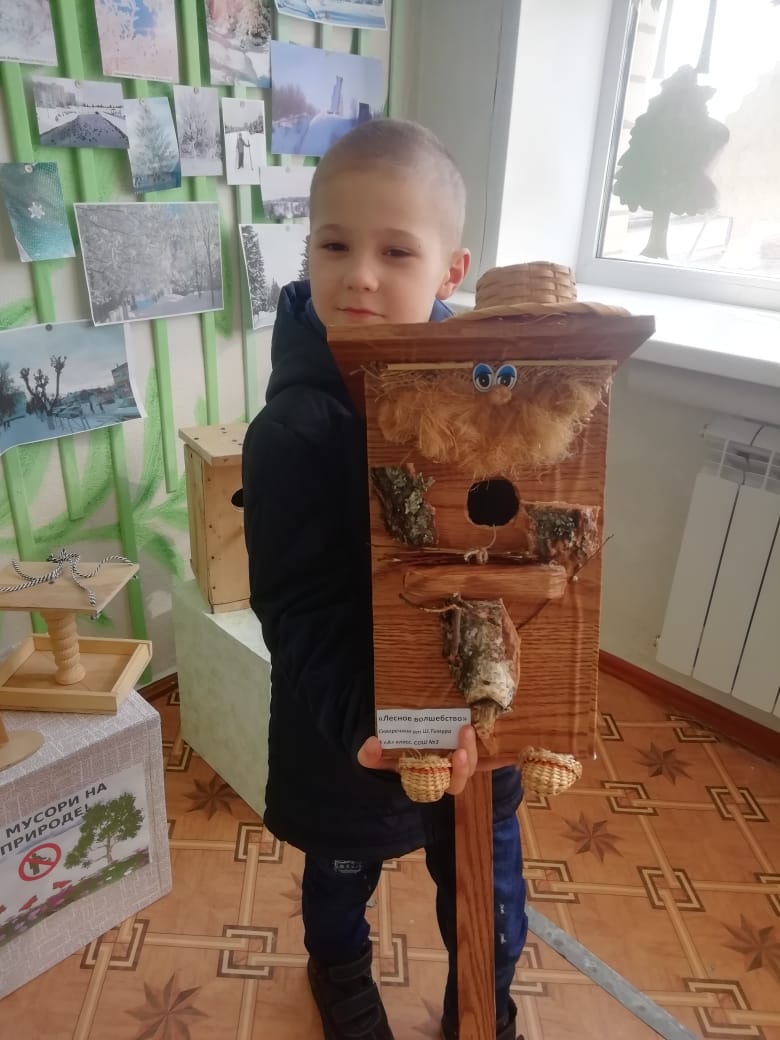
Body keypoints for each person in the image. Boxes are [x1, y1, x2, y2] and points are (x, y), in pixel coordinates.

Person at [242, 118, 527, 1040]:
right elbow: (296, 605)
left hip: (477, 714)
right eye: (334, 245)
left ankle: (484, 1005)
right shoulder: (293, 432)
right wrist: (369, 720)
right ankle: (339, 973)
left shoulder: (490, 392)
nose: (359, 275)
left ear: (450, 271)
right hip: (351, 725)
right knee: (339, 875)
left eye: (395, 251)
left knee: (486, 887)